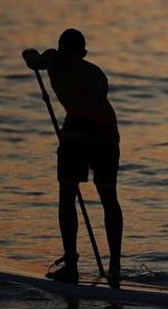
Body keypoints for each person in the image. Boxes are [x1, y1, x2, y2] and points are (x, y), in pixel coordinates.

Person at [22, 29, 123, 288]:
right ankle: (115, 266)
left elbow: (35, 62)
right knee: (109, 197)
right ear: (85, 54)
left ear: (60, 48)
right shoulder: (97, 72)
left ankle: (72, 265)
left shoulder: (55, 59)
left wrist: (30, 54)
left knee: (68, 195)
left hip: (78, 133)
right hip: (108, 136)